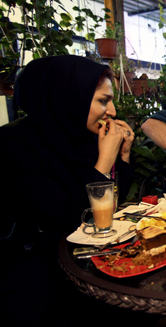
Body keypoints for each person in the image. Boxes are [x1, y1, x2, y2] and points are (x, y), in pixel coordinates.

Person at [0, 55, 135, 326]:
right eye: (103, 100)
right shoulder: (13, 144)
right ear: (67, 95)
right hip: (34, 271)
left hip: (85, 259)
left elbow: (111, 203)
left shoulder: (81, 137)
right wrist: (104, 161)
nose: (113, 112)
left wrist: (124, 154)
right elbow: (75, 217)